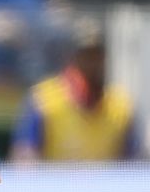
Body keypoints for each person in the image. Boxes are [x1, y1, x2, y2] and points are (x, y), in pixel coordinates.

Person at [12, 28, 141, 162]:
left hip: (108, 183)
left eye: (97, 56)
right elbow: (25, 156)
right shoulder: (42, 99)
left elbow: (132, 160)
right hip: (55, 182)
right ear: (71, 58)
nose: (91, 64)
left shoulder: (121, 104)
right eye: (85, 56)